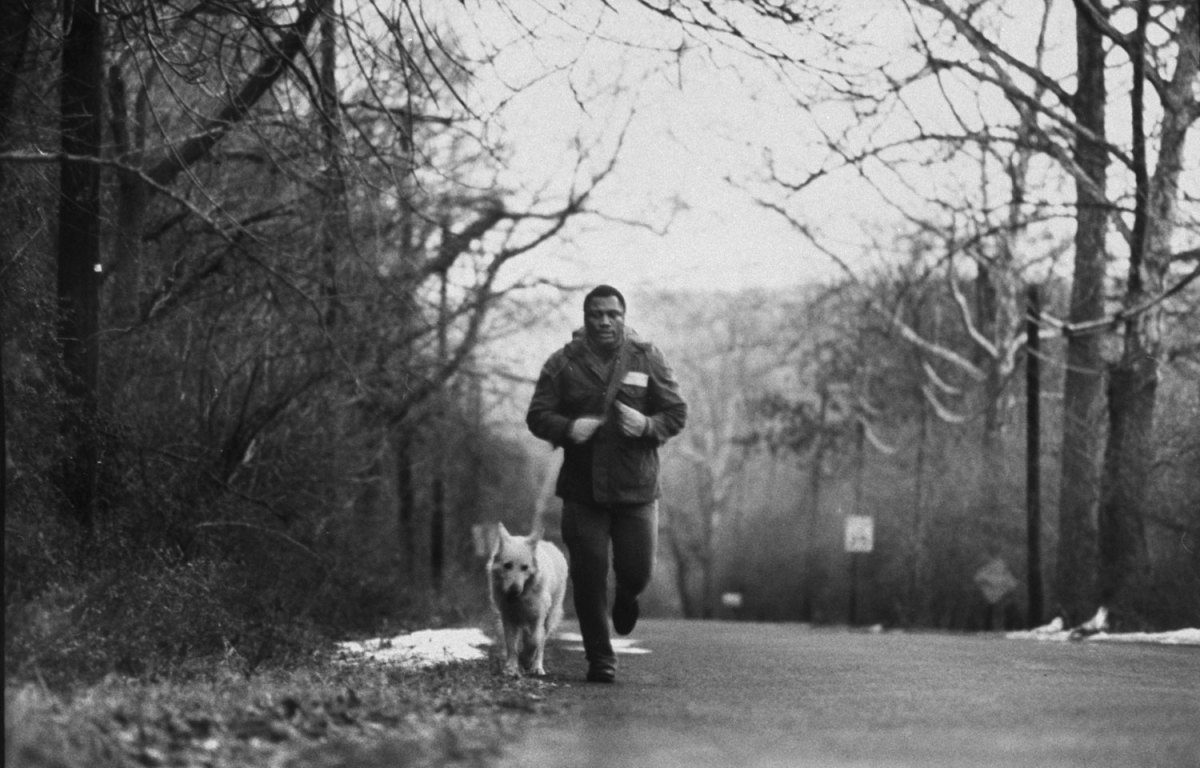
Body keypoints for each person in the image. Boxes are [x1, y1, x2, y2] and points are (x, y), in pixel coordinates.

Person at [526, 285, 687, 683]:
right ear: (585, 318)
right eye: (596, 314)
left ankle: (628, 597)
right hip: (583, 490)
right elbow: (537, 415)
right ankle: (600, 657)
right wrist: (567, 428)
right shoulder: (562, 364)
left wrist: (648, 425)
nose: (604, 321)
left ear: (623, 317)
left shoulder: (647, 358)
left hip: (637, 488)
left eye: (612, 314)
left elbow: (676, 412)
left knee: (637, 571)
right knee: (589, 573)